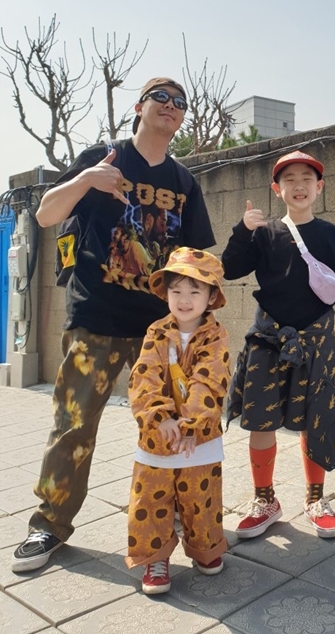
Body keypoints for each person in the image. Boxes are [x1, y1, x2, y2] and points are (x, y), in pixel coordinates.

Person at [12, 77, 216, 573]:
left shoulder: (184, 182)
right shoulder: (103, 158)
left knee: (172, 426)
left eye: (180, 102)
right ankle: (50, 524)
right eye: (160, 97)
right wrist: (86, 180)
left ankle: (173, 523)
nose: (170, 106)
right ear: (139, 107)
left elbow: (195, 259)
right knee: (74, 425)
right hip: (96, 320)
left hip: (159, 330)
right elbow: (46, 215)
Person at [222, 150, 335, 540]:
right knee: (259, 420)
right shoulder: (264, 233)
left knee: (317, 420)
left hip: (317, 342)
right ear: (276, 189)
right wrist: (242, 230)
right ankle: (265, 500)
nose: (299, 186)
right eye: (290, 180)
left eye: (306, 179)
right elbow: (229, 269)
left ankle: (316, 499)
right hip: (268, 340)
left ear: (319, 187)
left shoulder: (333, 235)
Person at [126, 247, 229, 595]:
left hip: (200, 436)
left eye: (194, 291)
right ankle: (155, 558)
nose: (184, 300)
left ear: (211, 296)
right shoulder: (156, 331)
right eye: (177, 290)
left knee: (202, 497)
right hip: (157, 435)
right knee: (151, 499)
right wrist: (159, 416)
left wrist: (189, 425)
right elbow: (144, 375)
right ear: (166, 293)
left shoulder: (216, 335)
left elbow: (210, 379)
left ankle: (205, 548)